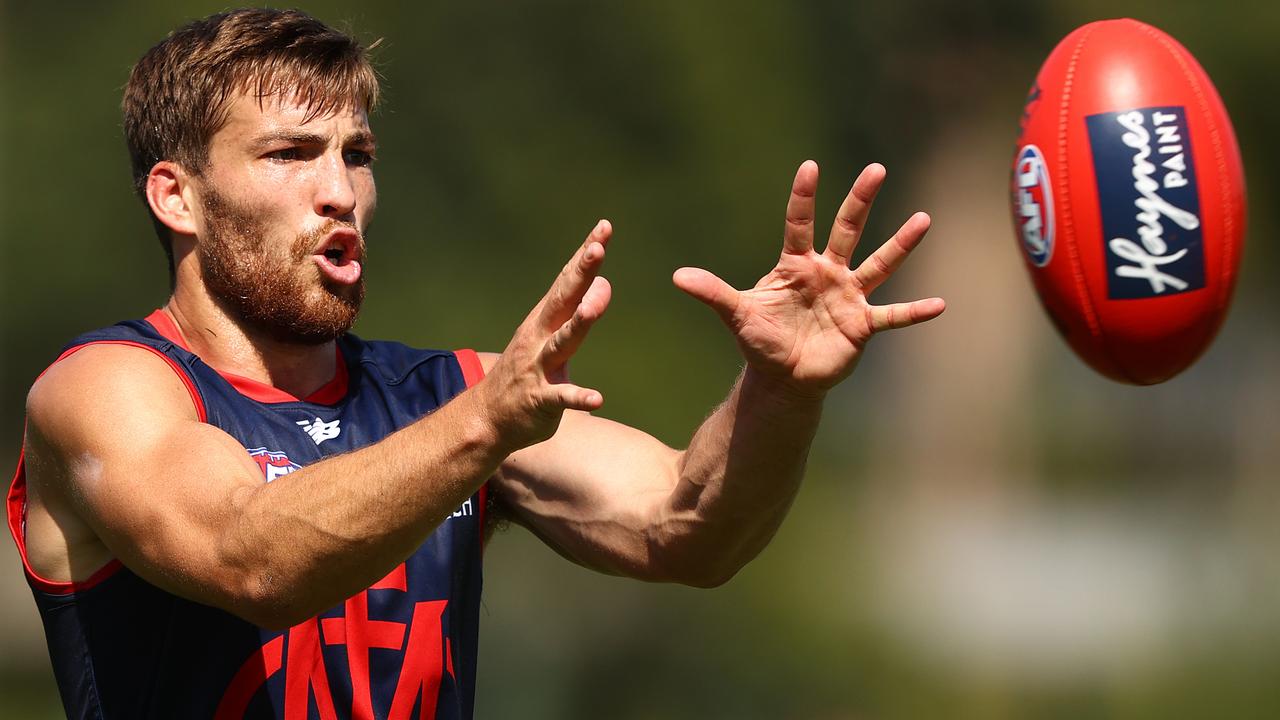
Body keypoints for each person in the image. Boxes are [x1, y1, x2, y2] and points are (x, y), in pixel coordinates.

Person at [5, 8, 945, 719]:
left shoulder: (452, 395)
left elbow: (690, 526)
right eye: (291, 154)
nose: (341, 192)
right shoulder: (107, 389)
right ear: (177, 197)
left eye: (357, 154)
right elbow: (250, 558)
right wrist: (485, 428)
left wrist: (780, 390)